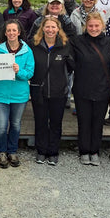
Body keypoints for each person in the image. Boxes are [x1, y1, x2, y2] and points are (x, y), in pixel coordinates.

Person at [70, 12, 110, 166]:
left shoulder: (109, 42)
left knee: (97, 122)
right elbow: (70, 62)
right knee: (84, 121)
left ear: (102, 26)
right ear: (85, 26)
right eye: (90, 26)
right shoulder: (77, 41)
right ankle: (84, 150)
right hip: (82, 88)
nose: (94, 28)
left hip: (102, 88)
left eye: (96, 25)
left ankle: (95, 150)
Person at [0, 20, 34, 169]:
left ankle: (12, 151)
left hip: (19, 94)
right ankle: (1, 151)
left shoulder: (28, 51)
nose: (11, 33)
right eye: (8, 30)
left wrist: (18, 71)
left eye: (14, 30)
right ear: (5, 33)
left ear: (19, 32)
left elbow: (30, 73)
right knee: (2, 126)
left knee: (15, 124)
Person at [30, 17, 74, 166]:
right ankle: (41, 151)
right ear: (42, 28)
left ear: (58, 29)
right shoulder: (33, 45)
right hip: (38, 90)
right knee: (41, 122)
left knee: (56, 123)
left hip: (58, 91)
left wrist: (61, 81)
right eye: (47, 27)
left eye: (53, 27)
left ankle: (53, 151)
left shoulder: (65, 46)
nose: (50, 30)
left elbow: (71, 67)